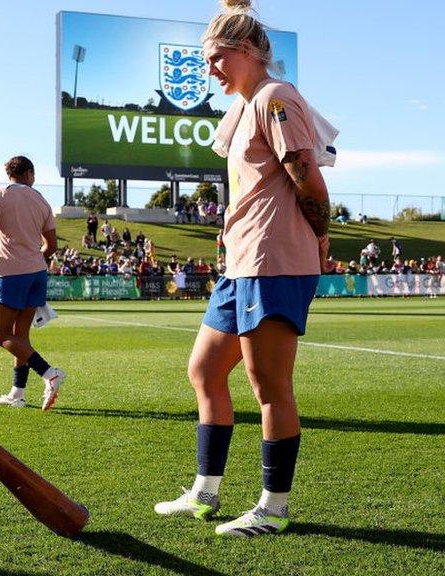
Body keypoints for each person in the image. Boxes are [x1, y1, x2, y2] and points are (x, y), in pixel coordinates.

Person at [154, 0, 334, 538]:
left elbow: (307, 175)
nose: (209, 69)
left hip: (273, 261)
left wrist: (320, 234)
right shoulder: (247, 104)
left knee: (269, 385)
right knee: (205, 372)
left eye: (217, 57)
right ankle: (204, 492)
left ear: (250, 51)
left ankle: (272, 509)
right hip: (242, 262)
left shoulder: (276, 97)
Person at [0, 155, 65, 411]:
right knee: (20, 336)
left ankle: (49, 373)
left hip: (10, 273)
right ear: (29, 174)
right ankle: (17, 393)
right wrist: (35, 257)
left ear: (9, 174)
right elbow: (51, 246)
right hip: (37, 274)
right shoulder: (42, 200)